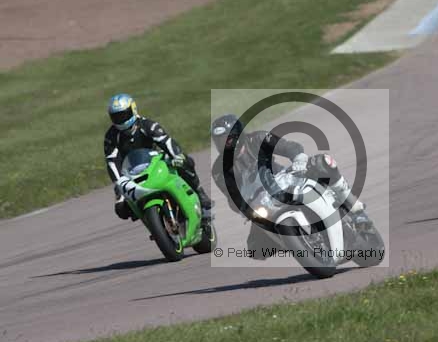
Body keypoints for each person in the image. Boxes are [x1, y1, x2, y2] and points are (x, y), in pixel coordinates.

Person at [210, 114, 369, 259]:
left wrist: (298, 158)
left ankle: (354, 207)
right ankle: (294, 241)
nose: (222, 145)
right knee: (256, 249)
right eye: (218, 141)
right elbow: (231, 196)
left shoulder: (258, 138)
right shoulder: (218, 170)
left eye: (225, 139)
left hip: (286, 180)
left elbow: (288, 147)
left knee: (323, 162)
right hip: (261, 201)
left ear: (238, 135)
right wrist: (243, 208)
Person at [103, 93, 213, 222]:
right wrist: (119, 183)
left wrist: (177, 156)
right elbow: (111, 161)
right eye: (116, 117)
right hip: (131, 172)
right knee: (121, 209)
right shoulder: (111, 136)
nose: (120, 120)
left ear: (133, 109)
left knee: (186, 162)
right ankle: (151, 218)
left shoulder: (147, 125)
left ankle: (199, 192)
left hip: (156, 162)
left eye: (123, 115)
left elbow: (166, 142)